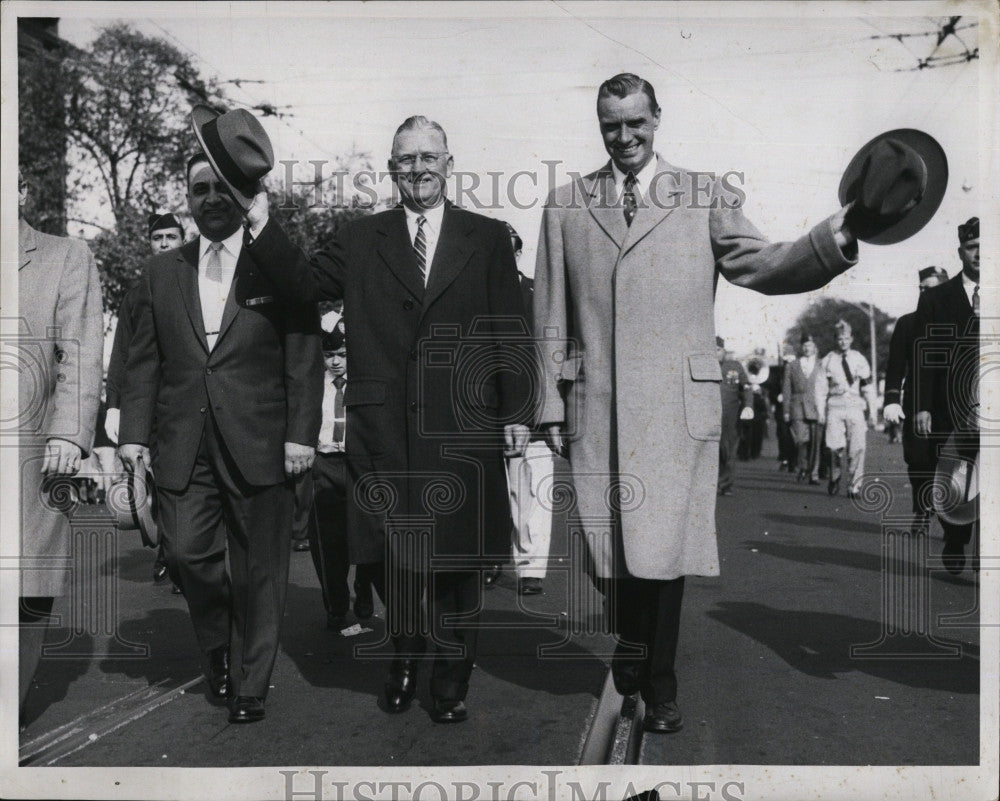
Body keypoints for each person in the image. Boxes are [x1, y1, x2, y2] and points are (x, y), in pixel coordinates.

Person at [533, 73, 859, 734]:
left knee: (663, 549)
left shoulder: (702, 194)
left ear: (658, 118)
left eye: (635, 123)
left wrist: (838, 239)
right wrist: (548, 404)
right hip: (597, 404)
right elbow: (548, 315)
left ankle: (660, 680)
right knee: (610, 549)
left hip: (677, 408)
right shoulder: (566, 205)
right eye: (610, 125)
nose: (623, 136)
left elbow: (766, 263)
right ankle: (632, 644)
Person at [240, 115, 533, 724]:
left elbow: (511, 328)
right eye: (406, 159)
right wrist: (261, 219)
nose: (419, 169)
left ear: (450, 163)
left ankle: (449, 684)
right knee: (393, 561)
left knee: (457, 566)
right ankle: (402, 660)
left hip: (462, 427)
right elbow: (298, 283)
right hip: (383, 431)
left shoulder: (486, 238)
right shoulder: (359, 239)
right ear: (392, 167)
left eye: (430, 157)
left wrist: (516, 410)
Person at [118, 119, 324, 725]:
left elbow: (304, 346)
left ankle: (251, 680)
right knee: (186, 554)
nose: (209, 199)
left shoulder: (275, 265)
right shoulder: (162, 272)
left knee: (262, 569)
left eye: (219, 188)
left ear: (241, 193)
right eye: (197, 190)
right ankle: (218, 646)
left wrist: (301, 435)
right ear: (187, 200)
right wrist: (132, 435)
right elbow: (143, 359)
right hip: (183, 443)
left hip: (262, 440)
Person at [17, 169, 104, 713]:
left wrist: (71, 433)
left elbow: (79, 348)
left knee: (27, 582)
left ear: (23, 192)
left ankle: (9, 705)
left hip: (32, 452)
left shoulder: (63, 255)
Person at [106, 211, 187, 589]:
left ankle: (183, 553)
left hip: (187, 404)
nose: (166, 243)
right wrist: (114, 405)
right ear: (150, 244)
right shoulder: (136, 295)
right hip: (147, 408)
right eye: (159, 238)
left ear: (183, 240)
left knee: (186, 482)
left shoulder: (196, 285)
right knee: (154, 483)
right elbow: (123, 354)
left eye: (172, 236)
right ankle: (165, 553)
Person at [914, 218, 980, 573]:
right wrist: (923, 405)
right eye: (973, 247)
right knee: (955, 478)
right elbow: (925, 358)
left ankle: (987, 549)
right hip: (950, 409)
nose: (982, 253)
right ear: (961, 252)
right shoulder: (939, 298)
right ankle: (955, 537)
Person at [308, 322, 380, 628]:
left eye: (342, 354)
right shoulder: (313, 385)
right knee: (327, 539)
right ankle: (335, 603)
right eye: (329, 355)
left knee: (365, 531)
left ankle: (364, 582)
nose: (335, 362)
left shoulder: (362, 382)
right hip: (324, 463)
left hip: (358, 464)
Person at [501, 222, 555, 596]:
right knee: (491, 493)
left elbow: (549, 355)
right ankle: (489, 558)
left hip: (529, 411)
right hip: (481, 411)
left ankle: (531, 568)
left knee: (533, 493)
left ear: (518, 252)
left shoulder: (538, 293)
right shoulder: (466, 292)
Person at [882, 266, 949, 521]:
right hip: (915, 400)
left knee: (948, 460)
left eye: (929, 288)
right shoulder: (908, 322)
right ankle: (922, 507)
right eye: (921, 288)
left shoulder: (959, 320)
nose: (923, 293)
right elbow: (896, 364)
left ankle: (948, 517)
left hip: (948, 403)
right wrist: (890, 399)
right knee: (918, 459)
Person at [815, 320, 876, 497]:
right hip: (835, 406)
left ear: (851, 339)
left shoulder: (859, 359)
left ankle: (855, 485)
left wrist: (873, 412)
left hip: (855, 406)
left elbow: (868, 387)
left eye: (846, 338)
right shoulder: (828, 360)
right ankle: (835, 477)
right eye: (840, 338)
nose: (843, 342)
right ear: (836, 339)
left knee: (858, 447)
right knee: (834, 446)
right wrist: (820, 412)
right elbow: (820, 389)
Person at [783, 333, 822, 484]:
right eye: (804, 345)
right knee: (800, 440)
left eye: (810, 345)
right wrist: (786, 411)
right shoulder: (792, 365)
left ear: (815, 347)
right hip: (797, 406)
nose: (807, 348)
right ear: (801, 347)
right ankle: (802, 467)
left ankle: (814, 473)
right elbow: (786, 389)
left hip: (816, 406)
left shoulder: (821, 364)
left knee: (815, 442)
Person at [716, 337, 754, 496]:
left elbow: (746, 387)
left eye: (718, 349)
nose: (715, 353)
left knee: (728, 449)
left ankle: (726, 484)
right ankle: (715, 482)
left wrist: (748, 406)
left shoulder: (735, 366)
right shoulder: (705, 365)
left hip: (730, 414)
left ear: (724, 350)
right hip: (709, 414)